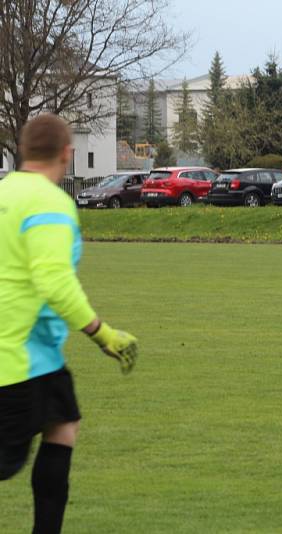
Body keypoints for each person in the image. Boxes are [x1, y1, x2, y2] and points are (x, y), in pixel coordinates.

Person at [0, 114, 138, 533]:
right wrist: (103, 334)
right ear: (67, 152)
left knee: (64, 421)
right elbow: (55, 282)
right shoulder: (50, 202)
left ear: (23, 151)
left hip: (39, 357)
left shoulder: (5, 190)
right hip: (17, 357)